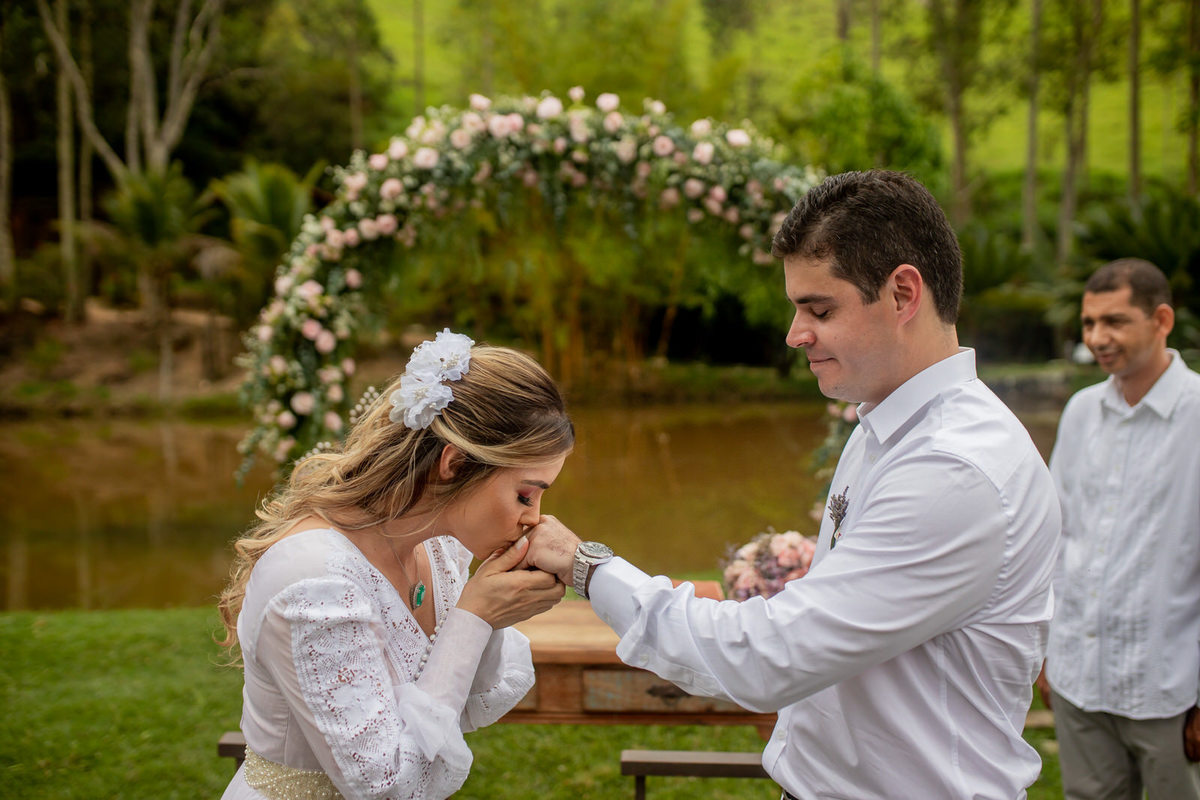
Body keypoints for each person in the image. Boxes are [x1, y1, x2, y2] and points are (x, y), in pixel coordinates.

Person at [523, 170, 1061, 799]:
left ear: (903, 293)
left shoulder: (953, 470)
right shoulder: (886, 426)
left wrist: (589, 568)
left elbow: (768, 658)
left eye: (820, 308)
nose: (795, 334)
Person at [217, 330, 572, 800]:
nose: (535, 517)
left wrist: (495, 612)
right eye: (525, 494)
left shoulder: (439, 550)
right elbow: (390, 786)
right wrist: (476, 617)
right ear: (454, 464)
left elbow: (465, 698)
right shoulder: (314, 580)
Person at [1035, 258, 1200, 799]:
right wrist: (1045, 651)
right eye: (1088, 324)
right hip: (1081, 677)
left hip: (1171, 688)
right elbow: (1054, 538)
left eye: (1115, 321)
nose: (1098, 339)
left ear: (1162, 320)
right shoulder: (1082, 412)